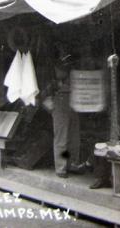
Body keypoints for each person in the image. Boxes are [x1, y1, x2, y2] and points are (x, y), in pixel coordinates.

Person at [50, 49, 85, 178]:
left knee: (74, 135)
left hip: (73, 99)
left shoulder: (70, 64)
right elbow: (59, 76)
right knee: (61, 136)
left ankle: (73, 163)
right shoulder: (57, 66)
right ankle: (61, 168)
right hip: (60, 99)